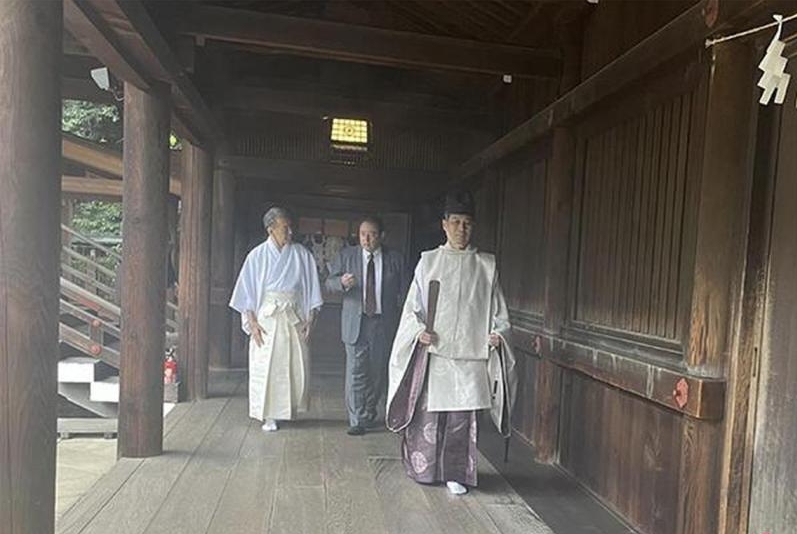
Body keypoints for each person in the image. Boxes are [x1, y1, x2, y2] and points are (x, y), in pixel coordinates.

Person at [386, 190, 517, 495]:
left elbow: (500, 312)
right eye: (455, 222)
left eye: (467, 223)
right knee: (429, 417)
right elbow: (412, 308)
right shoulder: (428, 262)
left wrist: (499, 333)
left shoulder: (487, 265)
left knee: (462, 420)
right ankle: (424, 469)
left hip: (473, 356)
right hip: (437, 354)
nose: (461, 229)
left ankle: (456, 473)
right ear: (444, 224)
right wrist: (418, 330)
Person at [229, 206, 323, 432]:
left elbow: (312, 290)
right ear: (270, 229)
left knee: (292, 365)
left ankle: (288, 410)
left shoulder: (302, 254)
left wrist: (311, 320)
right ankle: (268, 414)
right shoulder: (257, 255)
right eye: (284, 228)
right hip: (267, 320)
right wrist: (251, 322)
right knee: (267, 366)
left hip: (293, 316)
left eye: (291, 227)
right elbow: (246, 293)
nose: (290, 232)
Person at [326, 216, 407, 436]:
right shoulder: (347, 256)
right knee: (355, 371)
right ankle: (357, 419)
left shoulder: (395, 259)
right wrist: (341, 283)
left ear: (382, 235)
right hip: (356, 321)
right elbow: (328, 282)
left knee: (377, 371)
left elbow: (406, 291)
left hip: (383, 323)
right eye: (362, 234)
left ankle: (369, 411)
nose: (366, 238)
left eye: (371, 234)